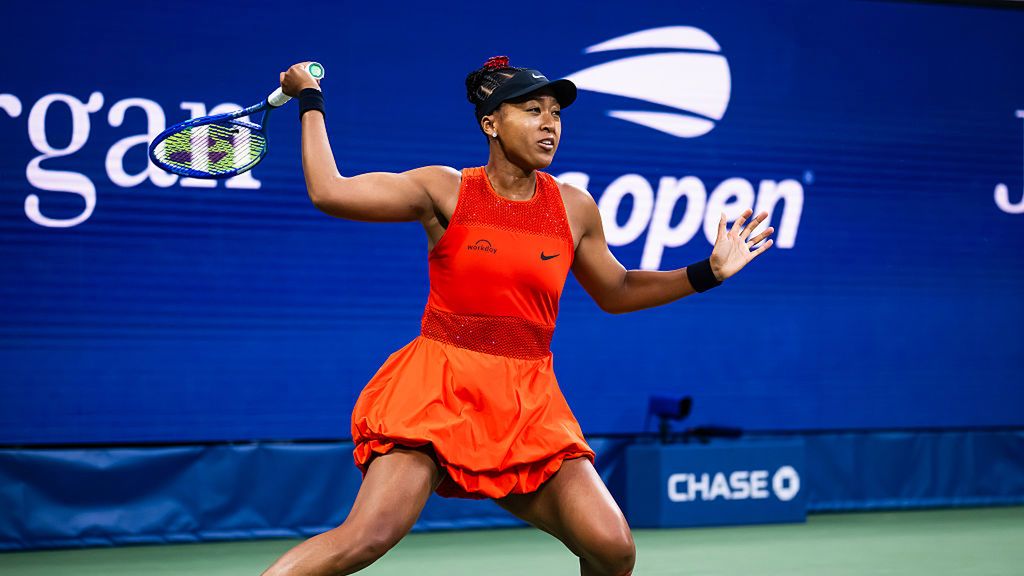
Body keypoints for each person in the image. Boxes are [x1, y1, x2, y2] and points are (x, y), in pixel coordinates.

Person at [262, 56, 774, 576]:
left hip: (529, 405)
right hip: (439, 393)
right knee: (367, 537)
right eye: (532, 110)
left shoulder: (573, 207)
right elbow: (329, 190)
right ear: (491, 124)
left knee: (613, 547)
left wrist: (705, 273)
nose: (550, 122)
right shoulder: (445, 190)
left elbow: (616, 289)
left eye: (555, 112)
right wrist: (309, 98)